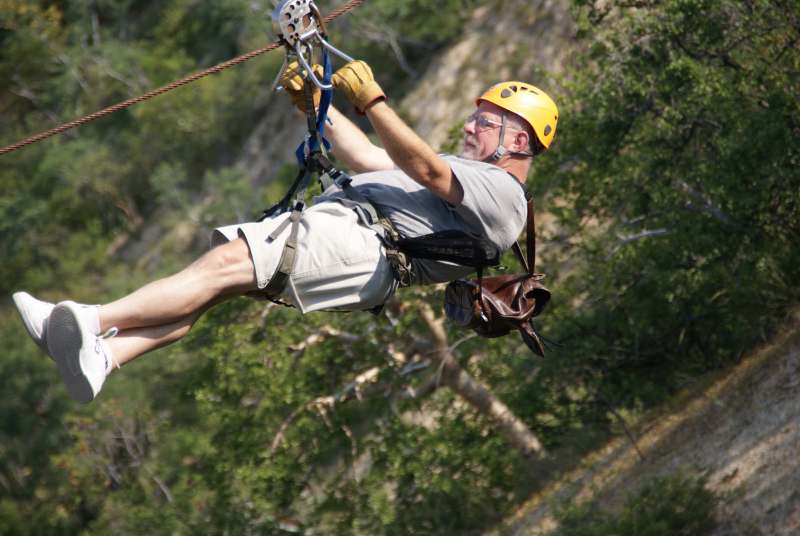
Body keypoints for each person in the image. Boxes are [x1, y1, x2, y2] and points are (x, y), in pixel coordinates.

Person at [12, 60, 559, 403]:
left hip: (364, 244)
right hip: (354, 241)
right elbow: (369, 159)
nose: (470, 125)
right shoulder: (469, 175)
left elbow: (426, 169)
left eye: (485, 121)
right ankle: (108, 356)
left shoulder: (503, 194)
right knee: (218, 284)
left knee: (224, 265)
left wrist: (372, 101)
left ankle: (87, 321)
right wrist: (319, 105)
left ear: (519, 142)